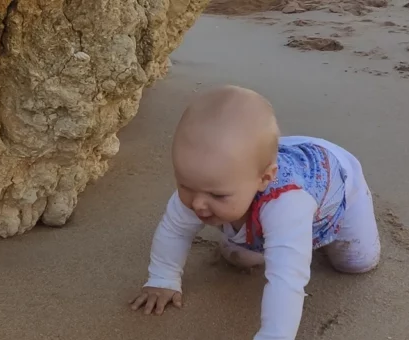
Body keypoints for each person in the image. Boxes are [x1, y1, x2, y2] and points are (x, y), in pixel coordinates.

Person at [129, 85, 381, 339]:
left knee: (356, 262)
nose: (197, 204)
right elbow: (174, 229)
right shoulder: (206, 181)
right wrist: (163, 278)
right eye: (184, 185)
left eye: (217, 195)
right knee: (242, 255)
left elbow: (287, 280)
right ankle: (269, 235)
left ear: (264, 178)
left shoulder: (287, 204)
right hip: (257, 173)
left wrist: (274, 335)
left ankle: (300, 241)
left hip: (337, 183)